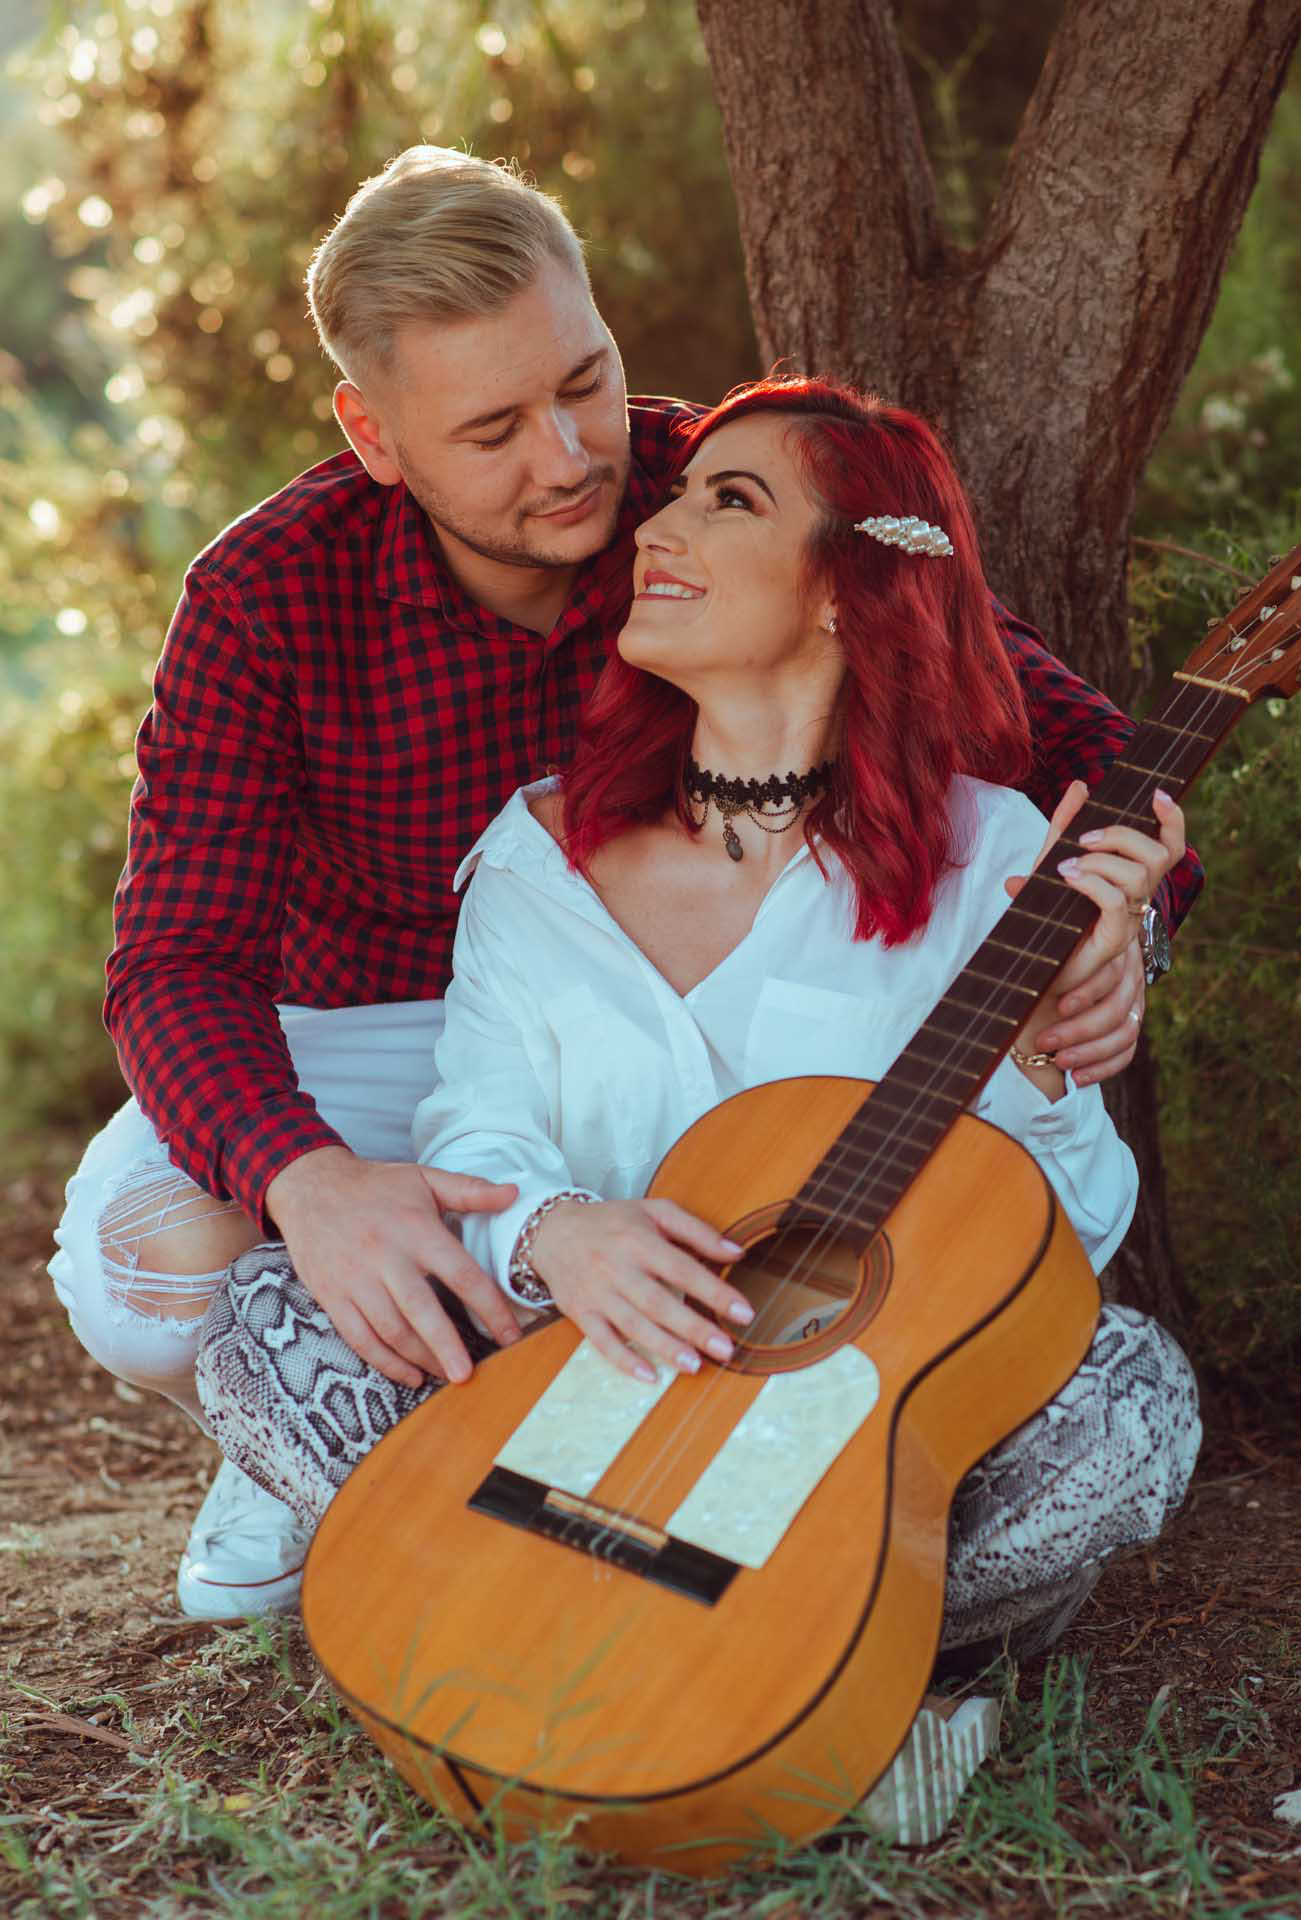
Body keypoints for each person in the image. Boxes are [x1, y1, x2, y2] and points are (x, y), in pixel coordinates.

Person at [47, 145, 1202, 1621]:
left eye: (583, 380)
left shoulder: (717, 492)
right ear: (376, 431)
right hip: (394, 1030)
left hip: (743, 1041)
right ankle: (376, 1420)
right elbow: (175, 962)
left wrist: (1117, 928)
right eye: (492, 428)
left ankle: (825, 1558)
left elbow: (1084, 737)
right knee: (150, 1265)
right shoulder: (268, 593)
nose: (573, 456)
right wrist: (310, 1184)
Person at [195, 376, 1202, 1847]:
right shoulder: (543, 850)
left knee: (1127, 1403)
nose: (656, 526)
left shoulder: (998, 858)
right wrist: (560, 1237)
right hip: (578, 1381)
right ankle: (829, 1668)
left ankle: (831, 1643)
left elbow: (1059, 1244)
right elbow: (478, 1137)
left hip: (849, 1437)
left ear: (851, 591)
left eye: (729, 502)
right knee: (265, 1323)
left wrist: (1048, 1069)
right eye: (678, 493)